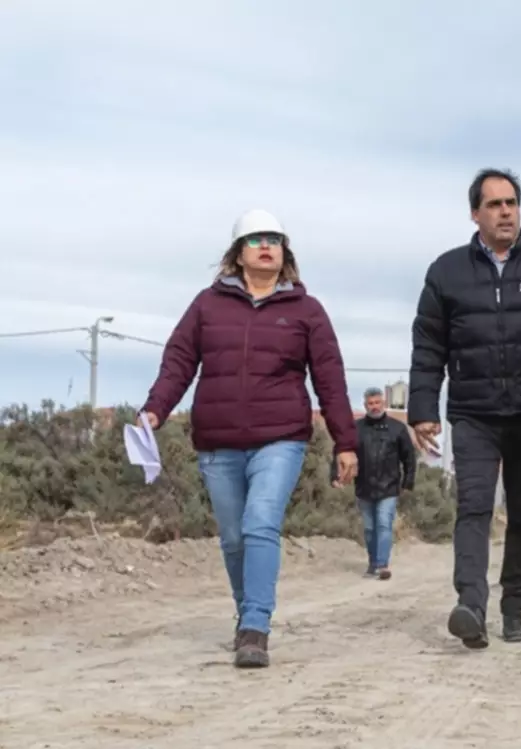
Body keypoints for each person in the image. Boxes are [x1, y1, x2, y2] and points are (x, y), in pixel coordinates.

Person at [141, 209, 358, 669]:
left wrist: (345, 441)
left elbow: (330, 380)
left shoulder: (307, 310)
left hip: (280, 438)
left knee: (260, 524)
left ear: (284, 253)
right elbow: (178, 361)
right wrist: (155, 408)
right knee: (234, 537)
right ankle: (246, 617)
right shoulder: (207, 305)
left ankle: (256, 626)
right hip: (217, 441)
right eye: (256, 239)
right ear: (238, 254)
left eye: (274, 240)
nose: (266, 247)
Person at [408, 168, 521, 649]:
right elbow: (428, 346)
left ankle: (514, 607)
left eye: (511, 202)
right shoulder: (446, 271)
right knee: (473, 507)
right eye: (494, 204)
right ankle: (471, 605)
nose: (505, 212)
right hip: (473, 412)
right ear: (475, 214)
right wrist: (423, 407)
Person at [332, 387, 416, 580]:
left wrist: (408, 482)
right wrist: (335, 475)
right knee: (370, 528)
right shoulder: (356, 429)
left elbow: (409, 457)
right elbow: (340, 451)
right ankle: (373, 563)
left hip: (389, 487)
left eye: (377, 402)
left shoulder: (397, 428)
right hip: (364, 487)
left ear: (383, 403)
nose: (374, 406)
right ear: (365, 405)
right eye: (371, 403)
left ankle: (382, 565)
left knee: (384, 524)